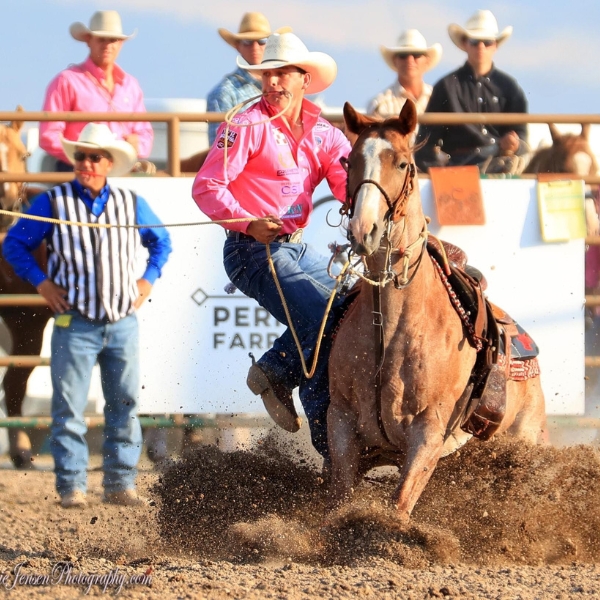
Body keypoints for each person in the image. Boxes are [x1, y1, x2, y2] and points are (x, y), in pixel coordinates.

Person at [193, 33, 352, 460]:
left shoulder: (325, 135)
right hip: (251, 249)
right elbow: (207, 186)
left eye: (282, 73)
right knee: (322, 319)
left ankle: (281, 378)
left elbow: (348, 188)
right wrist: (247, 221)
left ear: (304, 78)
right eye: (268, 73)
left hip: (293, 249)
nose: (273, 81)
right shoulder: (245, 125)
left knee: (349, 304)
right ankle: (321, 430)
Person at [3, 123, 172, 508]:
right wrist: (42, 283)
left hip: (120, 319)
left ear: (109, 162)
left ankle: (119, 482)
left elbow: (161, 241)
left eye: (94, 156)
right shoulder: (52, 201)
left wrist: (147, 280)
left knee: (125, 402)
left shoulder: (130, 203)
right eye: (80, 156)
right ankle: (72, 486)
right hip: (75, 320)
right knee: (69, 406)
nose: (86, 162)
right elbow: (16, 245)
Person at [414, 9, 528, 174]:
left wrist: (515, 144)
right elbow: (426, 141)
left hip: (501, 168)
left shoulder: (510, 87)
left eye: (487, 42)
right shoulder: (446, 87)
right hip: (457, 170)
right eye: (475, 41)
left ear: (495, 45)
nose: (481, 47)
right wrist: (438, 175)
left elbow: (522, 135)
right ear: (465, 43)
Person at [39, 10, 154, 172]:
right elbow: (49, 135)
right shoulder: (66, 81)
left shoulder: (131, 85)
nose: (107, 45)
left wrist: (137, 145)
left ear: (120, 44)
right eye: (101, 39)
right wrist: (83, 158)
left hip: (121, 169)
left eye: (113, 40)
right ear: (88, 40)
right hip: (77, 170)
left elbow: (145, 134)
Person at [206, 12, 292, 145]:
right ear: (237, 46)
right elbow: (220, 148)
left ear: (271, 45)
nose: (255, 47)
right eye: (248, 41)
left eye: (262, 41)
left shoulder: (286, 86)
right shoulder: (224, 92)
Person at [368, 29, 442, 118]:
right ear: (395, 61)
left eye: (416, 54)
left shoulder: (440, 99)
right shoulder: (380, 104)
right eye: (403, 55)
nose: (409, 60)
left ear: (427, 61)